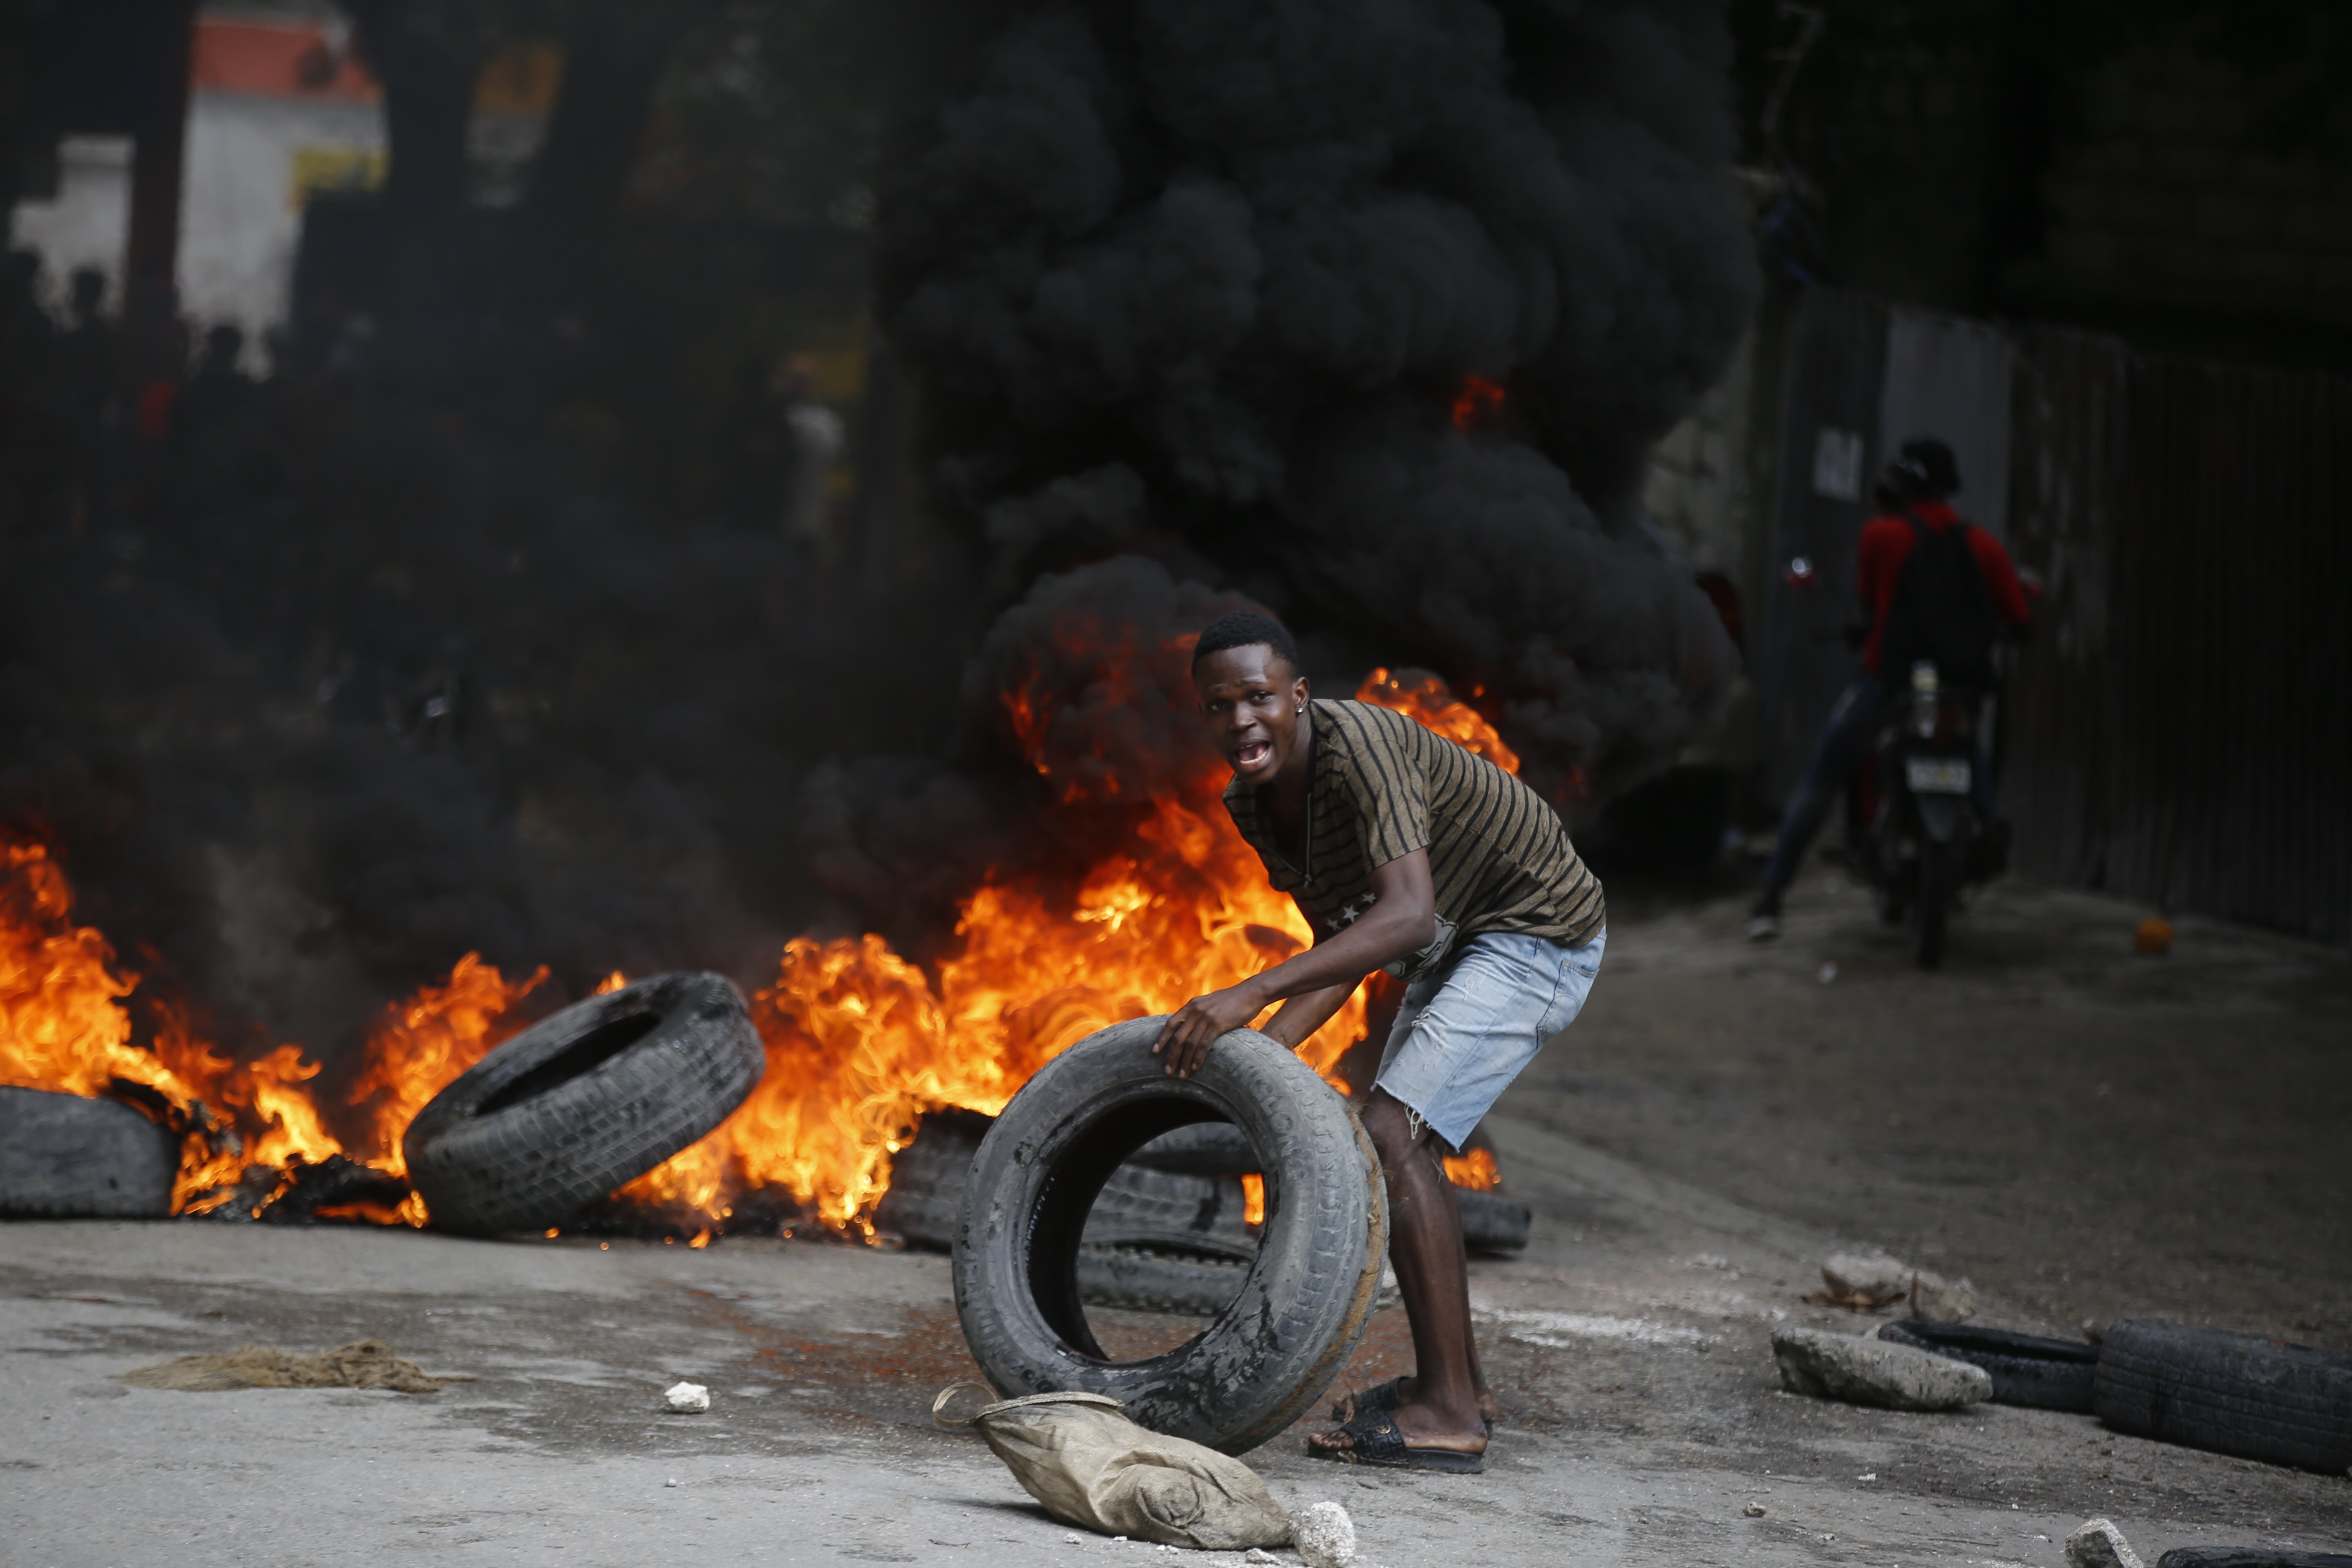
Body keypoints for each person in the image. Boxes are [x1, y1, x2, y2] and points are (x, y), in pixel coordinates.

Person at [1156, 610, 1606, 1472]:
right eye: (1220, 706)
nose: (1242, 720)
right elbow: (1346, 949)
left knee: (1394, 1135)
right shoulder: (1254, 803)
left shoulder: (1356, 748)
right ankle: (1461, 1387)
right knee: (1396, 1137)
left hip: (1534, 926)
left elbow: (1404, 913)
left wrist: (1247, 994)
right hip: (1457, 936)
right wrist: (1267, 1053)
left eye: (1259, 697)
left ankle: (1447, 1412)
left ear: (1298, 696)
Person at [1746, 437, 2031, 940]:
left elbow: (1871, 604)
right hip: (1957, 693)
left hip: (1893, 686)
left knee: (1821, 778)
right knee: (1970, 756)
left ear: (1904, 482)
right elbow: (2019, 618)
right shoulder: (1983, 546)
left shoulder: (1883, 535)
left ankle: (1770, 897)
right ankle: (1987, 826)